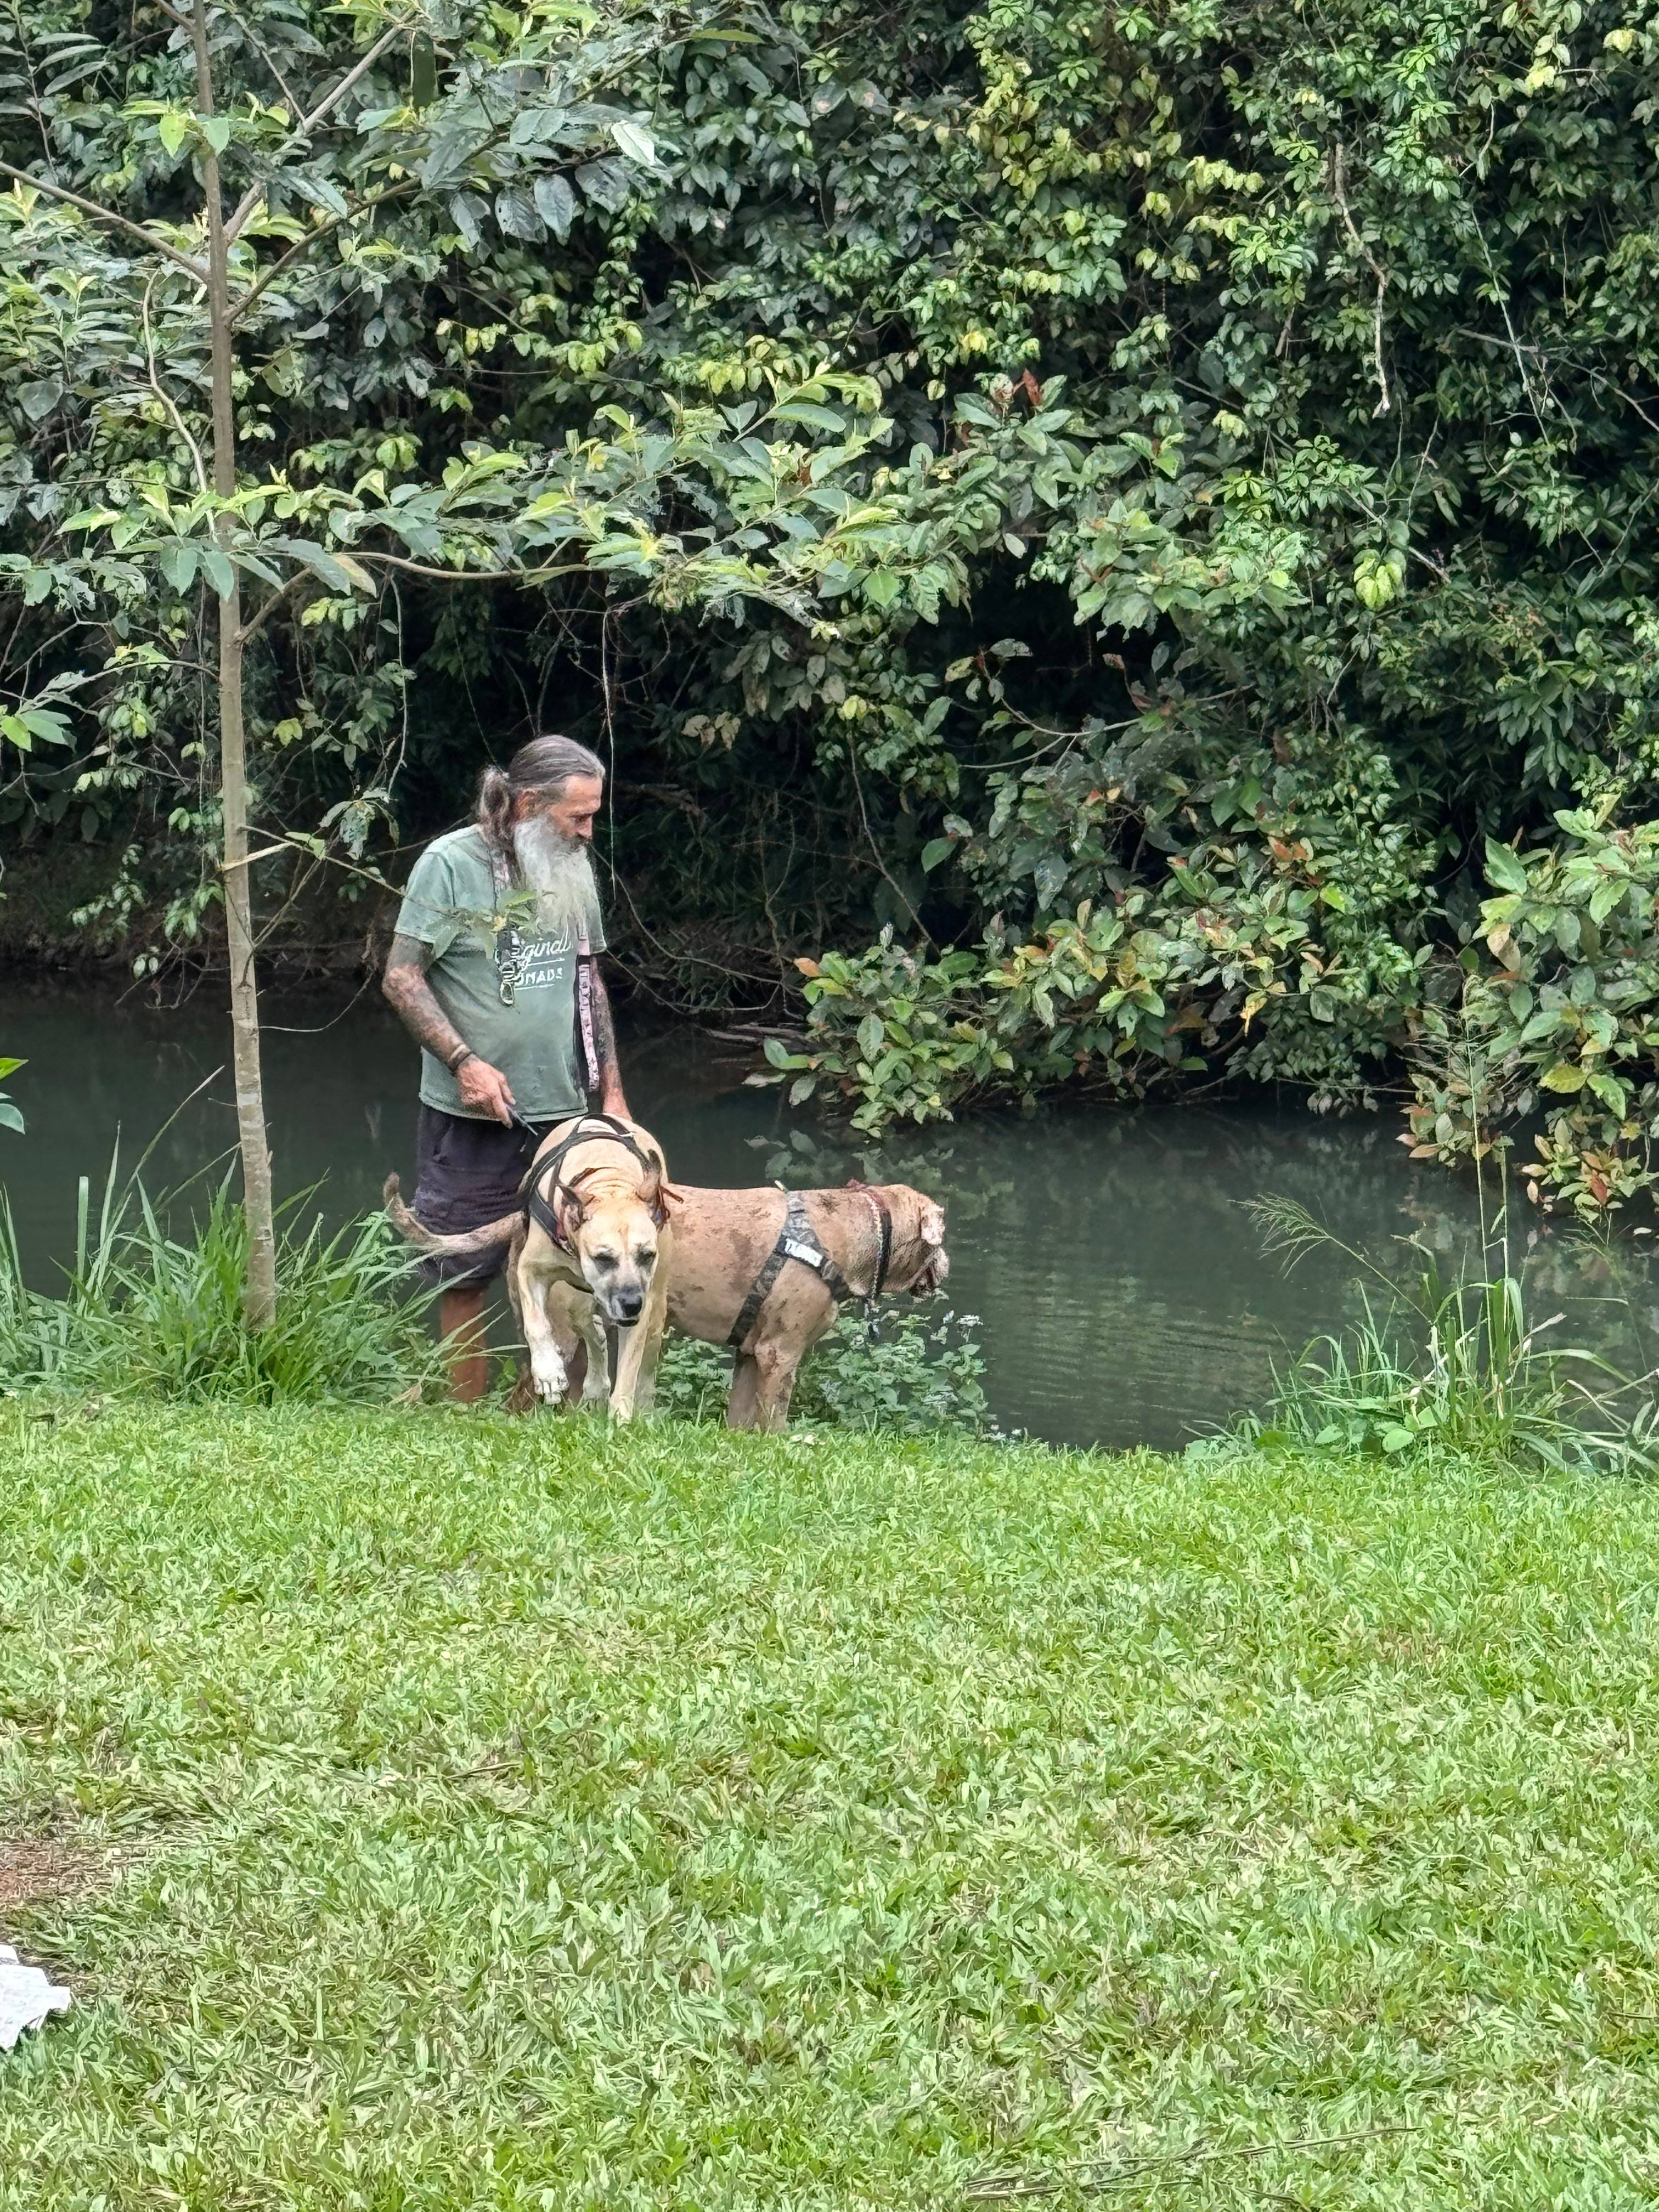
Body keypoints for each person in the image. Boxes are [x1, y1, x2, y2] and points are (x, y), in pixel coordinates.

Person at [383, 735, 630, 1401]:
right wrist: (464, 1062)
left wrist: (611, 1093)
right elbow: (402, 979)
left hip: (567, 1115)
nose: (587, 832)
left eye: (592, 816)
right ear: (526, 803)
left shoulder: (572, 866)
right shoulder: (450, 864)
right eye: (576, 817)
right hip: (472, 1113)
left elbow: (589, 979)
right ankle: (467, 1422)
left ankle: (541, 1417)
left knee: (577, 1267)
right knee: (464, 1271)